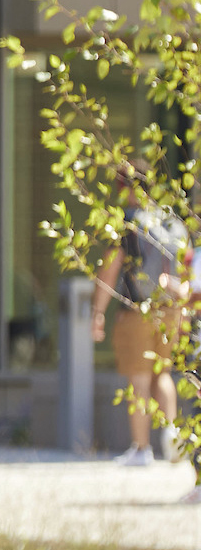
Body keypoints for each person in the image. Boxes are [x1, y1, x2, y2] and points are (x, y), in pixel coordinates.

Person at [93, 169, 188, 465]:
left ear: (124, 187)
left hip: (138, 310)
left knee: (139, 378)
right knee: (163, 374)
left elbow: (110, 268)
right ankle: (172, 438)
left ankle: (141, 448)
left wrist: (97, 311)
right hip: (171, 310)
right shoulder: (171, 221)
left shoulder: (128, 221)